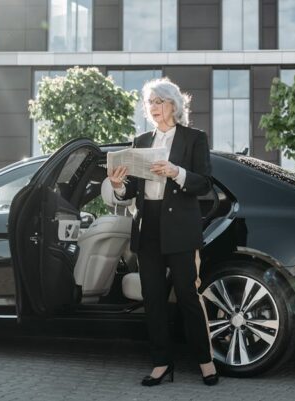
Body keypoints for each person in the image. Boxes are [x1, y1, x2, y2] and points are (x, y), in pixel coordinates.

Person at [107, 77, 219, 386]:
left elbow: (204, 184)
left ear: (174, 104)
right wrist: (118, 185)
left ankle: (205, 361)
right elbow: (130, 189)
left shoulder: (194, 138)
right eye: (149, 103)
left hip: (180, 228)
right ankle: (161, 364)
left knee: (187, 296)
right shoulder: (141, 140)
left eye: (159, 101)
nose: (153, 108)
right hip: (148, 226)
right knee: (153, 299)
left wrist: (175, 172)